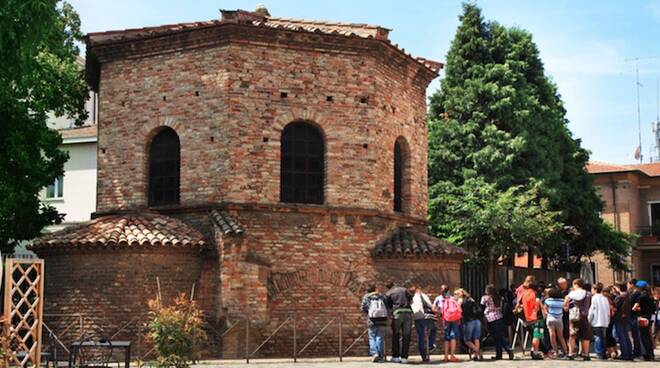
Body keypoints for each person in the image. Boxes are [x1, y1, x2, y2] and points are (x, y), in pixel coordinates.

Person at [482, 285, 514, 360]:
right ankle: (501, 353)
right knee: (501, 336)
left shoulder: (485, 298)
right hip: (499, 317)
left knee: (496, 337)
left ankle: (506, 350)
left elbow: (482, 308)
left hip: (490, 318)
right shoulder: (499, 297)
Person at [564, 278, 592, 361]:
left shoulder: (571, 294)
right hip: (584, 316)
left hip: (574, 317)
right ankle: (586, 354)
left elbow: (565, 307)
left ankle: (571, 353)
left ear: (576, 284)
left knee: (572, 335)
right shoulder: (588, 294)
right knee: (585, 336)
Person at [385, 282, 413, 364]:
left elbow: (388, 306)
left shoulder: (389, 293)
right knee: (406, 336)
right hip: (408, 313)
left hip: (397, 314)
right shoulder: (404, 290)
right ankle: (404, 357)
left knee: (396, 335)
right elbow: (411, 301)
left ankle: (396, 357)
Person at [515, 279, 543, 360]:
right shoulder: (535, 295)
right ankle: (535, 352)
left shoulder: (522, 295)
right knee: (537, 335)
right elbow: (536, 308)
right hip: (537, 319)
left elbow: (517, 307)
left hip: (526, 320)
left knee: (532, 335)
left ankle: (533, 350)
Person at [361, 283, 388, 362]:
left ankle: (374, 353)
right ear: (375, 289)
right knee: (380, 337)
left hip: (372, 320)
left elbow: (363, 307)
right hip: (382, 319)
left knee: (372, 337)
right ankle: (380, 355)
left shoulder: (367, 297)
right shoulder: (382, 296)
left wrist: (369, 313)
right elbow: (387, 306)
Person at [434, 285, 461, 362]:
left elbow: (433, 308)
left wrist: (441, 312)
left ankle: (446, 356)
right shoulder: (453, 298)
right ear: (449, 290)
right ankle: (452, 356)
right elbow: (459, 309)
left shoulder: (438, 298)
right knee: (453, 336)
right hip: (455, 318)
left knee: (446, 336)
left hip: (446, 319)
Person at [411, 286, 437, 363]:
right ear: (418, 290)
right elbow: (430, 305)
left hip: (417, 318)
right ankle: (430, 344)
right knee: (433, 329)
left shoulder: (411, 297)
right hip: (426, 317)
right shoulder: (423, 295)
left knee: (421, 336)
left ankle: (423, 356)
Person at [456, 288, 482, 361]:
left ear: (459, 294)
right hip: (477, 321)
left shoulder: (460, 300)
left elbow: (459, 311)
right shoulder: (471, 299)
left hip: (468, 321)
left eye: (456, 294)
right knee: (476, 339)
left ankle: (477, 351)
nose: (455, 296)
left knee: (467, 340)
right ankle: (476, 356)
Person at [633, 281, 655, 361]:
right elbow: (653, 308)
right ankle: (651, 354)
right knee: (648, 336)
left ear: (639, 288)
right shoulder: (650, 296)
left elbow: (634, 308)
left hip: (642, 318)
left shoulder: (641, 297)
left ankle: (646, 355)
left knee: (643, 337)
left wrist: (639, 308)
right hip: (649, 318)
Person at [543, 287, 568, 358]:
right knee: (561, 336)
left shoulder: (547, 300)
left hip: (550, 318)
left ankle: (556, 351)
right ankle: (565, 351)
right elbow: (565, 308)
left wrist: (547, 314)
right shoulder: (562, 301)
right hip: (559, 319)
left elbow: (545, 309)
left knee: (552, 335)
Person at [588, 282, 610, 360]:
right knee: (603, 338)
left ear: (595, 289)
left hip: (596, 321)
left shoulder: (594, 298)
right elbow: (608, 311)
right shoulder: (605, 298)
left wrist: (589, 320)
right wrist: (608, 320)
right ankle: (604, 353)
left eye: (592, 289)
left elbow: (591, 311)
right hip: (604, 321)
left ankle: (599, 353)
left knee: (597, 337)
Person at [613, 281, 633, 360]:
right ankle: (629, 354)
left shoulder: (620, 297)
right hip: (626, 318)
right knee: (626, 336)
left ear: (618, 288)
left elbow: (614, 306)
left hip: (619, 319)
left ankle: (625, 354)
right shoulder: (628, 295)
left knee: (622, 337)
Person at [627, 278, 644, 359]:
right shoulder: (633, 293)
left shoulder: (636, 293)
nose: (627, 286)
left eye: (628, 284)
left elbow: (633, 304)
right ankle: (637, 351)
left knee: (636, 335)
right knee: (634, 335)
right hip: (632, 316)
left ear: (632, 284)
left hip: (634, 316)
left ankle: (637, 352)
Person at [603, 286, 619, 359]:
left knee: (607, 336)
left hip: (607, 319)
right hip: (612, 319)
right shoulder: (612, 298)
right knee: (610, 335)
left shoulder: (606, 299)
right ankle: (615, 351)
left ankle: (611, 352)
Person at [557, 277, 570, 342]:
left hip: (568, 312)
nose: (566, 284)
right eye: (564, 283)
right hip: (560, 313)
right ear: (560, 284)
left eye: (566, 283)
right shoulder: (557, 293)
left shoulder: (569, 292)